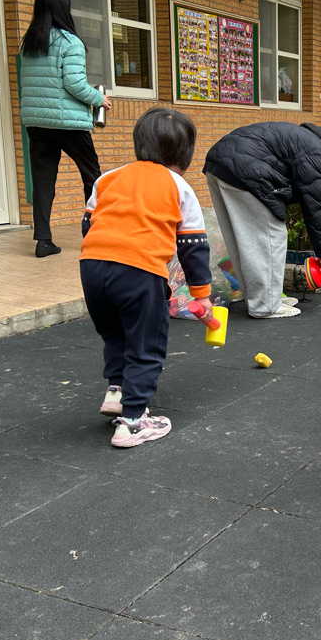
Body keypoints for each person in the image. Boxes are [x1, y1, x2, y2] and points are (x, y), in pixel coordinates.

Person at [79, 108, 212, 448]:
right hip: (140, 271)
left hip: (92, 267)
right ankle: (133, 422)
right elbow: (193, 246)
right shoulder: (179, 187)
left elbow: (88, 224)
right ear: (185, 154)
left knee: (115, 333)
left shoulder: (108, 178)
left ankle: (117, 391)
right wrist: (202, 295)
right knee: (146, 345)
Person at [202, 122, 321, 318]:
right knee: (272, 235)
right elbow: (316, 208)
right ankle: (266, 305)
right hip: (245, 168)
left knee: (242, 239)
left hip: (218, 163)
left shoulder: (308, 140)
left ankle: (263, 298)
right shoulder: (320, 154)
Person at [20, 0, 109, 258]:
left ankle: (43, 241)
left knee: (43, 181)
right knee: (92, 177)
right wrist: (99, 99)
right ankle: (95, 235)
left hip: (37, 123)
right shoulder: (70, 42)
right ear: (63, 10)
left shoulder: (30, 43)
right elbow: (74, 84)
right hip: (69, 123)